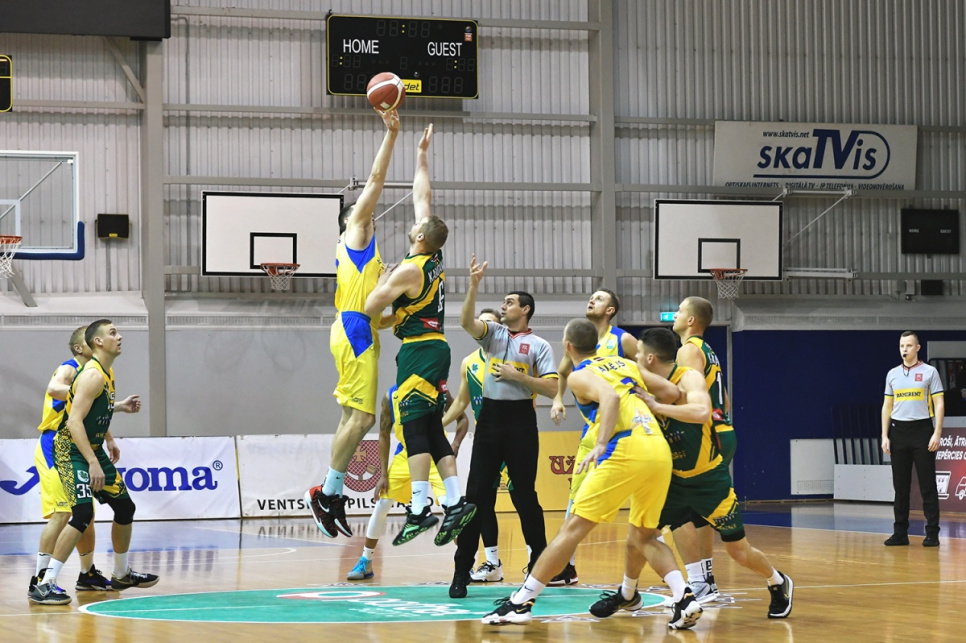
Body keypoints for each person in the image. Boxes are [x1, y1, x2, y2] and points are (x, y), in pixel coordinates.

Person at [482, 319, 695, 628]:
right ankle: (684, 596)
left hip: (624, 449)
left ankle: (521, 602)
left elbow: (610, 398)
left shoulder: (580, 375)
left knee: (572, 530)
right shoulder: (624, 364)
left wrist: (602, 443)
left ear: (567, 346)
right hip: (657, 448)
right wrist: (649, 403)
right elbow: (672, 392)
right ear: (596, 343)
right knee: (646, 535)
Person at [364, 123, 476, 548]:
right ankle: (455, 502)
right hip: (435, 345)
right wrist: (421, 156)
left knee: (412, 428)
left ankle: (418, 509)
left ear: (420, 237)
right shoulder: (434, 257)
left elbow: (371, 306)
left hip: (418, 350)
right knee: (430, 428)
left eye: (416, 227)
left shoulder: (410, 270)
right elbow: (422, 198)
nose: (412, 226)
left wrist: (383, 279)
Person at [636, 327, 793, 620]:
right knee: (642, 535)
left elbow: (701, 413)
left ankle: (777, 580)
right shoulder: (644, 385)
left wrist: (657, 407)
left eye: (638, 354)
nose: (635, 358)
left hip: (708, 479)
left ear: (650, 358)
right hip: (674, 481)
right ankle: (659, 592)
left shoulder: (688, 377)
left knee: (738, 551)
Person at [306, 107, 400, 539]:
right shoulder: (356, 231)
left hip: (359, 328)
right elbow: (376, 181)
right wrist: (391, 135)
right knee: (362, 420)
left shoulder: (367, 257)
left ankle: (332, 493)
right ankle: (326, 492)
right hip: (354, 329)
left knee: (349, 418)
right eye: (364, 211)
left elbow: (378, 317)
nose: (371, 214)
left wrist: (392, 307)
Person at [449, 255, 559, 599]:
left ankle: (538, 568)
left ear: (525, 310)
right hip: (490, 420)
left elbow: (553, 388)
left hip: (521, 422)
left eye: (510, 302)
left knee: (525, 495)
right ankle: (461, 570)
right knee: (475, 497)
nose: (504, 305)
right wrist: (473, 285)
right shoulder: (493, 334)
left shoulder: (539, 345)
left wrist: (517, 376)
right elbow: (465, 321)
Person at [29, 320, 157, 605]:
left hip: (92, 447)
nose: (120, 336)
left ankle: (121, 573)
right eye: (113, 333)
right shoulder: (90, 374)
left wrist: (108, 438)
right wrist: (92, 462)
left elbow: (93, 411)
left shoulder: (106, 372)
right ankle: (44, 583)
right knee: (80, 513)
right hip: (69, 449)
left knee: (125, 507)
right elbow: (73, 421)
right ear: (97, 342)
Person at [547, 288, 638, 586]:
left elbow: (650, 368)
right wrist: (558, 400)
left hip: (627, 431)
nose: (591, 300)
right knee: (576, 500)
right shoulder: (579, 341)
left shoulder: (623, 340)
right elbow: (562, 372)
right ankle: (567, 566)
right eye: (592, 297)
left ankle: (677, 572)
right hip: (595, 430)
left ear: (610, 310)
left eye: (599, 299)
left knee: (644, 502)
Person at [346, 385, 468, 580]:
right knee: (382, 505)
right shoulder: (390, 396)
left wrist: (456, 444)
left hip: (437, 454)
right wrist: (383, 474)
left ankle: (465, 565)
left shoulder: (437, 389)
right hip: (406, 455)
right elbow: (384, 434)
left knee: (451, 509)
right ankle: (366, 561)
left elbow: (463, 418)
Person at [665, 295, 736, 601]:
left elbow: (685, 397)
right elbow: (724, 400)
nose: (675, 315)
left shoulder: (687, 350)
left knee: (677, 508)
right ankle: (705, 580)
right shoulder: (708, 351)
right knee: (700, 510)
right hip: (723, 430)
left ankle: (699, 580)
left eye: (680, 311)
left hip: (705, 435)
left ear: (691, 320)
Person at [439, 308, 515, 583]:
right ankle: (493, 563)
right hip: (486, 440)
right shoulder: (468, 362)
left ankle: (535, 564)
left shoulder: (512, 357)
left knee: (523, 500)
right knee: (482, 504)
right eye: (481, 323)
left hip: (515, 436)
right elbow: (461, 402)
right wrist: (439, 424)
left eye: (490, 324)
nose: (485, 328)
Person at [882, 330, 944, 547]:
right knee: (900, 486)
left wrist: (937, 432)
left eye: (908, 345)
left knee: (927, 485)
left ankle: (932, 533)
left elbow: (939, 403)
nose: (904, 349)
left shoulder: (930, 372)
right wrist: (884, 435)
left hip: (922, 430)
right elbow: (887, 406)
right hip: (899, 432)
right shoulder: (892, 374)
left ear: (917, 348)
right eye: (902, 346)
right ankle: (900, 533)